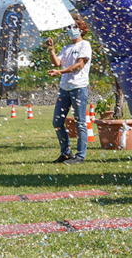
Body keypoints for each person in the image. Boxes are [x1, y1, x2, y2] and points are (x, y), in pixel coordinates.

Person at [46, 15, 92, 165]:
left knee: (80, 122)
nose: (70, 30)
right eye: (68, 27)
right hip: (64, 89)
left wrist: (60, 72)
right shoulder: (66, 48)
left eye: (74, 27)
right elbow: (57, 62)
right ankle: (65, 153)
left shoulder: (85, 45)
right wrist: (52, 50)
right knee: (57, 122)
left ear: (81, 29)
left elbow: (79, 65)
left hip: (79, 87)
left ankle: (80, 156)